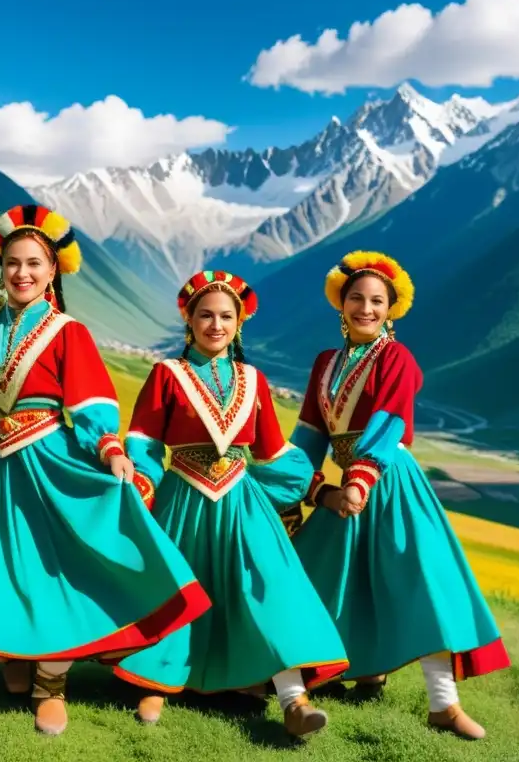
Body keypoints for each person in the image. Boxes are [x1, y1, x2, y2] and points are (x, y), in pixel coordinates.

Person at [0, 205, 211, 736]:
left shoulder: (68, 331)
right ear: (0, 267)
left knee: (59, 571)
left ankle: (51, 682)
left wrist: (110, 449)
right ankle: (12, 650)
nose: (22, 273)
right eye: (13, 262)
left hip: (51, 459)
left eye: (34, 263)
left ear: (53, 271)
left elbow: (91, 400)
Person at [281, 251, 511, 739]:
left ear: (391, 309)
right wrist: (305, 488)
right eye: (357, 299)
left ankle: (443, 705)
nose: (365, 308)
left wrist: (359, 482)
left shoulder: (397, 359)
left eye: (376, 301)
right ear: (340, 304)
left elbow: (391, 423)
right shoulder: (326, 363)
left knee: (419, 581)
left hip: (392, 482)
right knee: (316, 575)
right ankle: (346, 673)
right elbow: (308, 437)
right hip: (347, 487)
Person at [111, 270, 349, 740]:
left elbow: (271, 451)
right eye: (205, 315)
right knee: (177, 588)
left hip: (241, 501)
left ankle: (292, 700)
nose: (215, 324)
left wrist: (314, 487)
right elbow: (143, 441)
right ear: (189, 320)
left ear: (239, 323)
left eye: (225, 316)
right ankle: (157, 682)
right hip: (182, 497)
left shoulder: (253, 380)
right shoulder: (166, 374)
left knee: (268, 587)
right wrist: (139, 479)